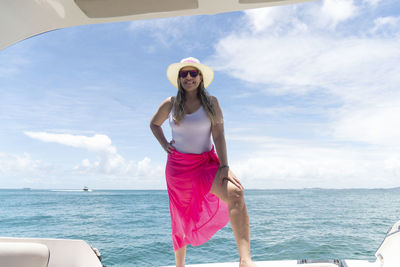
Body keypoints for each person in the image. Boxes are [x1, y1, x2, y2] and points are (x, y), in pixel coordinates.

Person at [150, 57, 257, 267]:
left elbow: (218, 135)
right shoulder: (170, 103)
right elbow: (154, 124)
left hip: (205, 164)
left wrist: (224, 167)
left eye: (193, 73)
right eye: (184, 74)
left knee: (236, 192)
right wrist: (164, 145)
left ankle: (245, 260)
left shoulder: (212, 103)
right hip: (178, 169)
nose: (189, 77)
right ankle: (179, 265)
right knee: (180, 216)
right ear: (179, 78)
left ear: (200, 77)